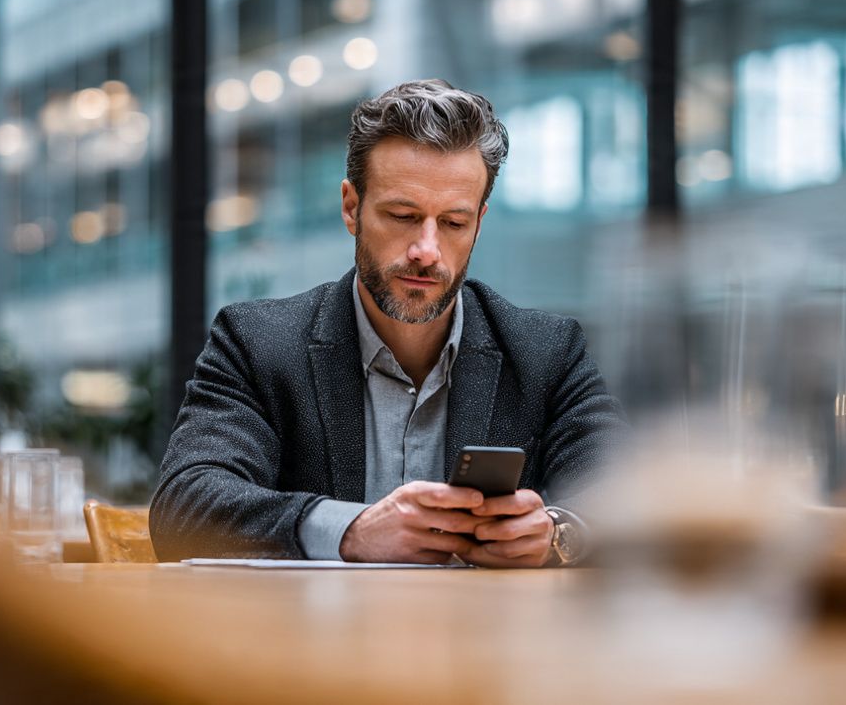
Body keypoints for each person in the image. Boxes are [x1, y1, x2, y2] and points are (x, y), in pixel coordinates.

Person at [151, 79, 625, 567]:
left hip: (487, 641)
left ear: (480, 223)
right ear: (351, 208)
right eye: (402, 215)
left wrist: (557, 533)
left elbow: (625, 497)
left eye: (454, 223)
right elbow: (185, 509)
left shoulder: (546, 353)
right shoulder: (257, 344)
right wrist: (350, 531)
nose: (426, 250)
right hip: (308, 641)